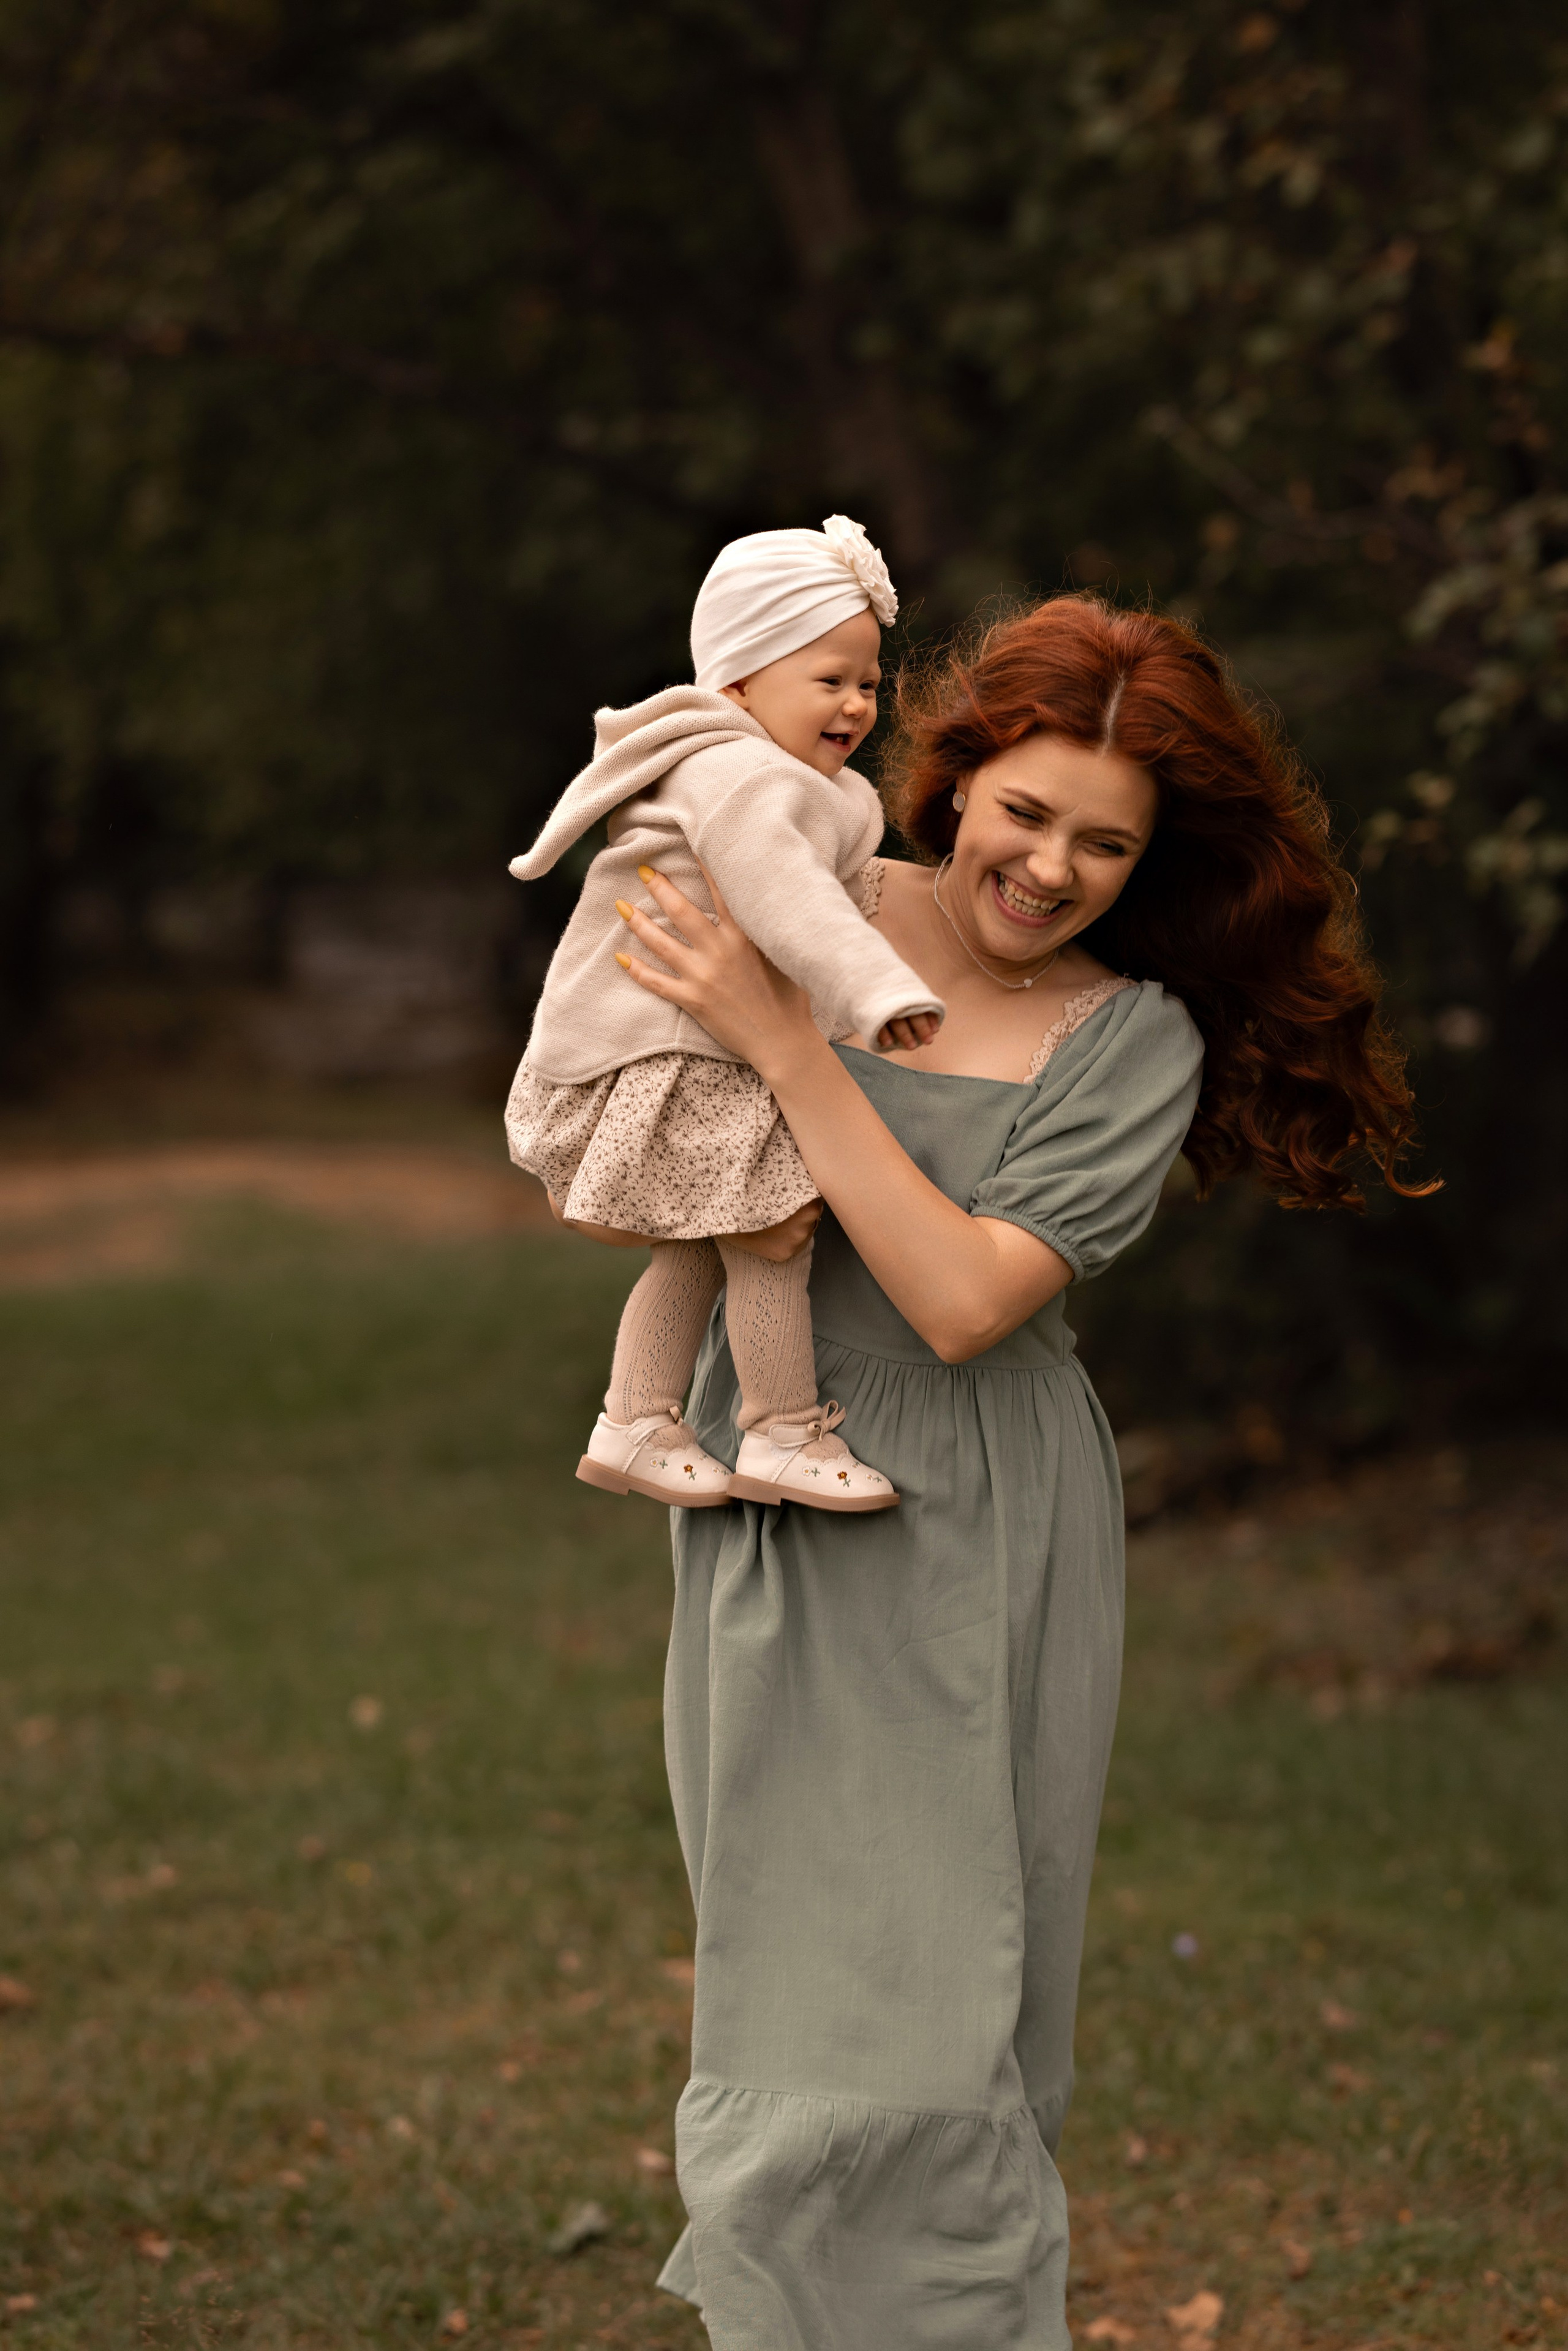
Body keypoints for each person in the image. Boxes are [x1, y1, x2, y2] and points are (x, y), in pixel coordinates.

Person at [607, 592, 1429, 2349]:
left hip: (977, 1510)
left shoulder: (1132, 1039)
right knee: (788, 1972)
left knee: (944, 1990)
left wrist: (785, 1042)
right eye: (1028, 812)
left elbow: (965, 1297)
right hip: (775, 1473)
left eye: (1104, 845)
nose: (1050, 869)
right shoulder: (812, 891)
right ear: (958, 773)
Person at [505, 516, 943, 1515]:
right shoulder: (745, 777)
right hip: (685, 1058)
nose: (856, 703)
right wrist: (875, 989)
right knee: (769, 1239)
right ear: (740, 683)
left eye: (869, 683)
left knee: (704, 1245)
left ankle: (635, 1418)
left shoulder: (760, 770)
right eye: (829, 678)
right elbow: (790, 900)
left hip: (688, 1052)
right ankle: (782, 1431)